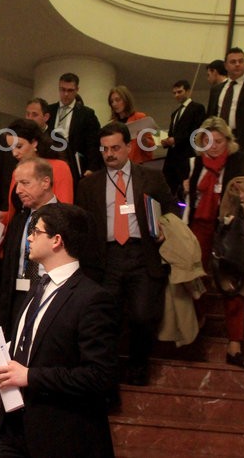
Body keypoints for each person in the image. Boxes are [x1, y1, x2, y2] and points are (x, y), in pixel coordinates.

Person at [0, 203, 119, 458]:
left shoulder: (92, 299)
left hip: (61, 434)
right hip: (14, 427)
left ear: (57, 240)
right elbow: (33, 347)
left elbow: (99, 376)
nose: (29, 238)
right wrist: (2, 364)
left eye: (36, 231)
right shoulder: (39, 287)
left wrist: (30, 376)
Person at [76, 122, 177, 386]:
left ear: (129, 147)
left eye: (115, 148)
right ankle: (106, 372)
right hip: (106, 258)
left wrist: (164, 226)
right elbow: (82, 226)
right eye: (105, 149)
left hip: (142, 254)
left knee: (143, 316)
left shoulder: (151, 178)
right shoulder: (89, 185)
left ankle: (138, 366)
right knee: (105, 318)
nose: (110, 154)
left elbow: (171, 208)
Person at [183, 117, 244, 367]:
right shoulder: (196, 164)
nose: (213, 146)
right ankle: (198, 324)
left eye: (218, 141)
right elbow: (190, 199)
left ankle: (235, 342)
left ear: (228, 141)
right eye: (207, 141)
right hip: (199, 227)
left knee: (231, 283)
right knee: (197, 279)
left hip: (229, 230)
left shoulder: (239, 163)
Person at [0, 158, 59, 340]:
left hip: (52, 298)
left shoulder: (68, 219)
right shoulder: (19, 221)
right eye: (17, 184)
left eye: (25, 183)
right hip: (17, 300)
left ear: (45, 182)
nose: (18, 190)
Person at [0, 119, 74, 229]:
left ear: (34, 143)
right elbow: (17, 212)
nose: (14, 153)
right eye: (11, 148)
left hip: (47, 232)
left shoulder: (59, 167)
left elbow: (64, 212)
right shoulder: (17, 171)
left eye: (19, 146)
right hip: (18, 233)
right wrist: (3, 216)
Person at [45, 73, 101, 185]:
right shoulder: (49, 111)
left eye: (70, 90)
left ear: (77, 90)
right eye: (62, 89)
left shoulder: (87, 114)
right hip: (49, 161)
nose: (66, 94)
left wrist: (91, 168)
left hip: (75, 166)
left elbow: (93, 143)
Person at [161, 79, 207, 199]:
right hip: (172, 158)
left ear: (188, 91)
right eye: (174, 93)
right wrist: (166, 141)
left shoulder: (197, 108)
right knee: (167, 190)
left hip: (186, 155)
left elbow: (196, 131)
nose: (176, 95)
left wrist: (176, 140)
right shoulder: (175, 113)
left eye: (179, 92)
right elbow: (172, 134)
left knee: (187, 190)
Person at [107, 85, 157, 164]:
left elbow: (150, 148)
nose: (114, 104)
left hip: (138, 164)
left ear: (126, 100)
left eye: (117, 100)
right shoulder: (112, 125)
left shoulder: (139, 118)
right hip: (119, 165)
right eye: (112, 102)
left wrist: (142, 139)